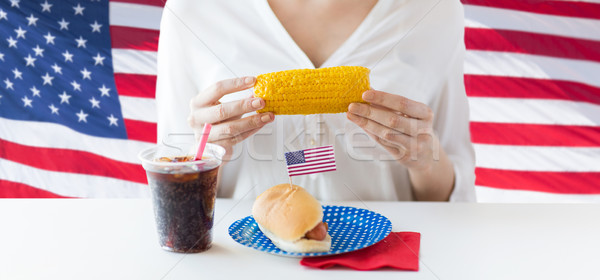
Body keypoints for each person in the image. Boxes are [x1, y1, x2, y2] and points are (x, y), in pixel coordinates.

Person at [156, 0, 476, 201]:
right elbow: (172, 195)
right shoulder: (192, 11)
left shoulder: (435, 10)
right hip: (243, 263)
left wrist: (424, 159)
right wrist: (205, 158)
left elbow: (454, 198)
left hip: (385, 262)